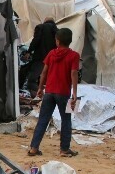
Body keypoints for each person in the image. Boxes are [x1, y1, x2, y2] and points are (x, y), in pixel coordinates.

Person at [27, 27, 79, 157]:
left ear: (57, 41)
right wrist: (74, 93)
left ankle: (34, 147)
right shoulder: (74, 56)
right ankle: (64, 149)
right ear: (70, 41)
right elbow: (74, 74)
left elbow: (44, 72)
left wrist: (40, 88)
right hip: (63, 93)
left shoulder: (51, 54)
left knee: (43, 119)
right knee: (66, 120)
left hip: (49, 91)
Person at [26, 17, 58, 95]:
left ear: (45, 21)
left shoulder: (40, 27)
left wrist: (29, 51)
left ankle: (41, 96)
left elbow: (36, 40)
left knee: (31, 81)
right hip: (53, 60)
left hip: (40, 58)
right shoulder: (58, 31)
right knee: (47, 82)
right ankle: (47, 97)